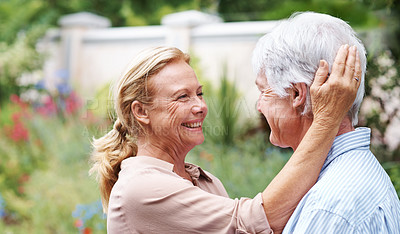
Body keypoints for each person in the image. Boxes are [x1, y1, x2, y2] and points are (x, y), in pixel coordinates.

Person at [90, 43, 360, 233]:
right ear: (141, 112)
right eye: (182, 96)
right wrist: (327, 118)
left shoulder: (203, 181)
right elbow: (261, 220)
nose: (200, 106)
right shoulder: (142, 189)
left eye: (199, 93)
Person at [252, 11, 400, 233]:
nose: (259, 106)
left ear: (296, 94)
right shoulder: (357, 171)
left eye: (264, 91)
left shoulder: (328, 208)